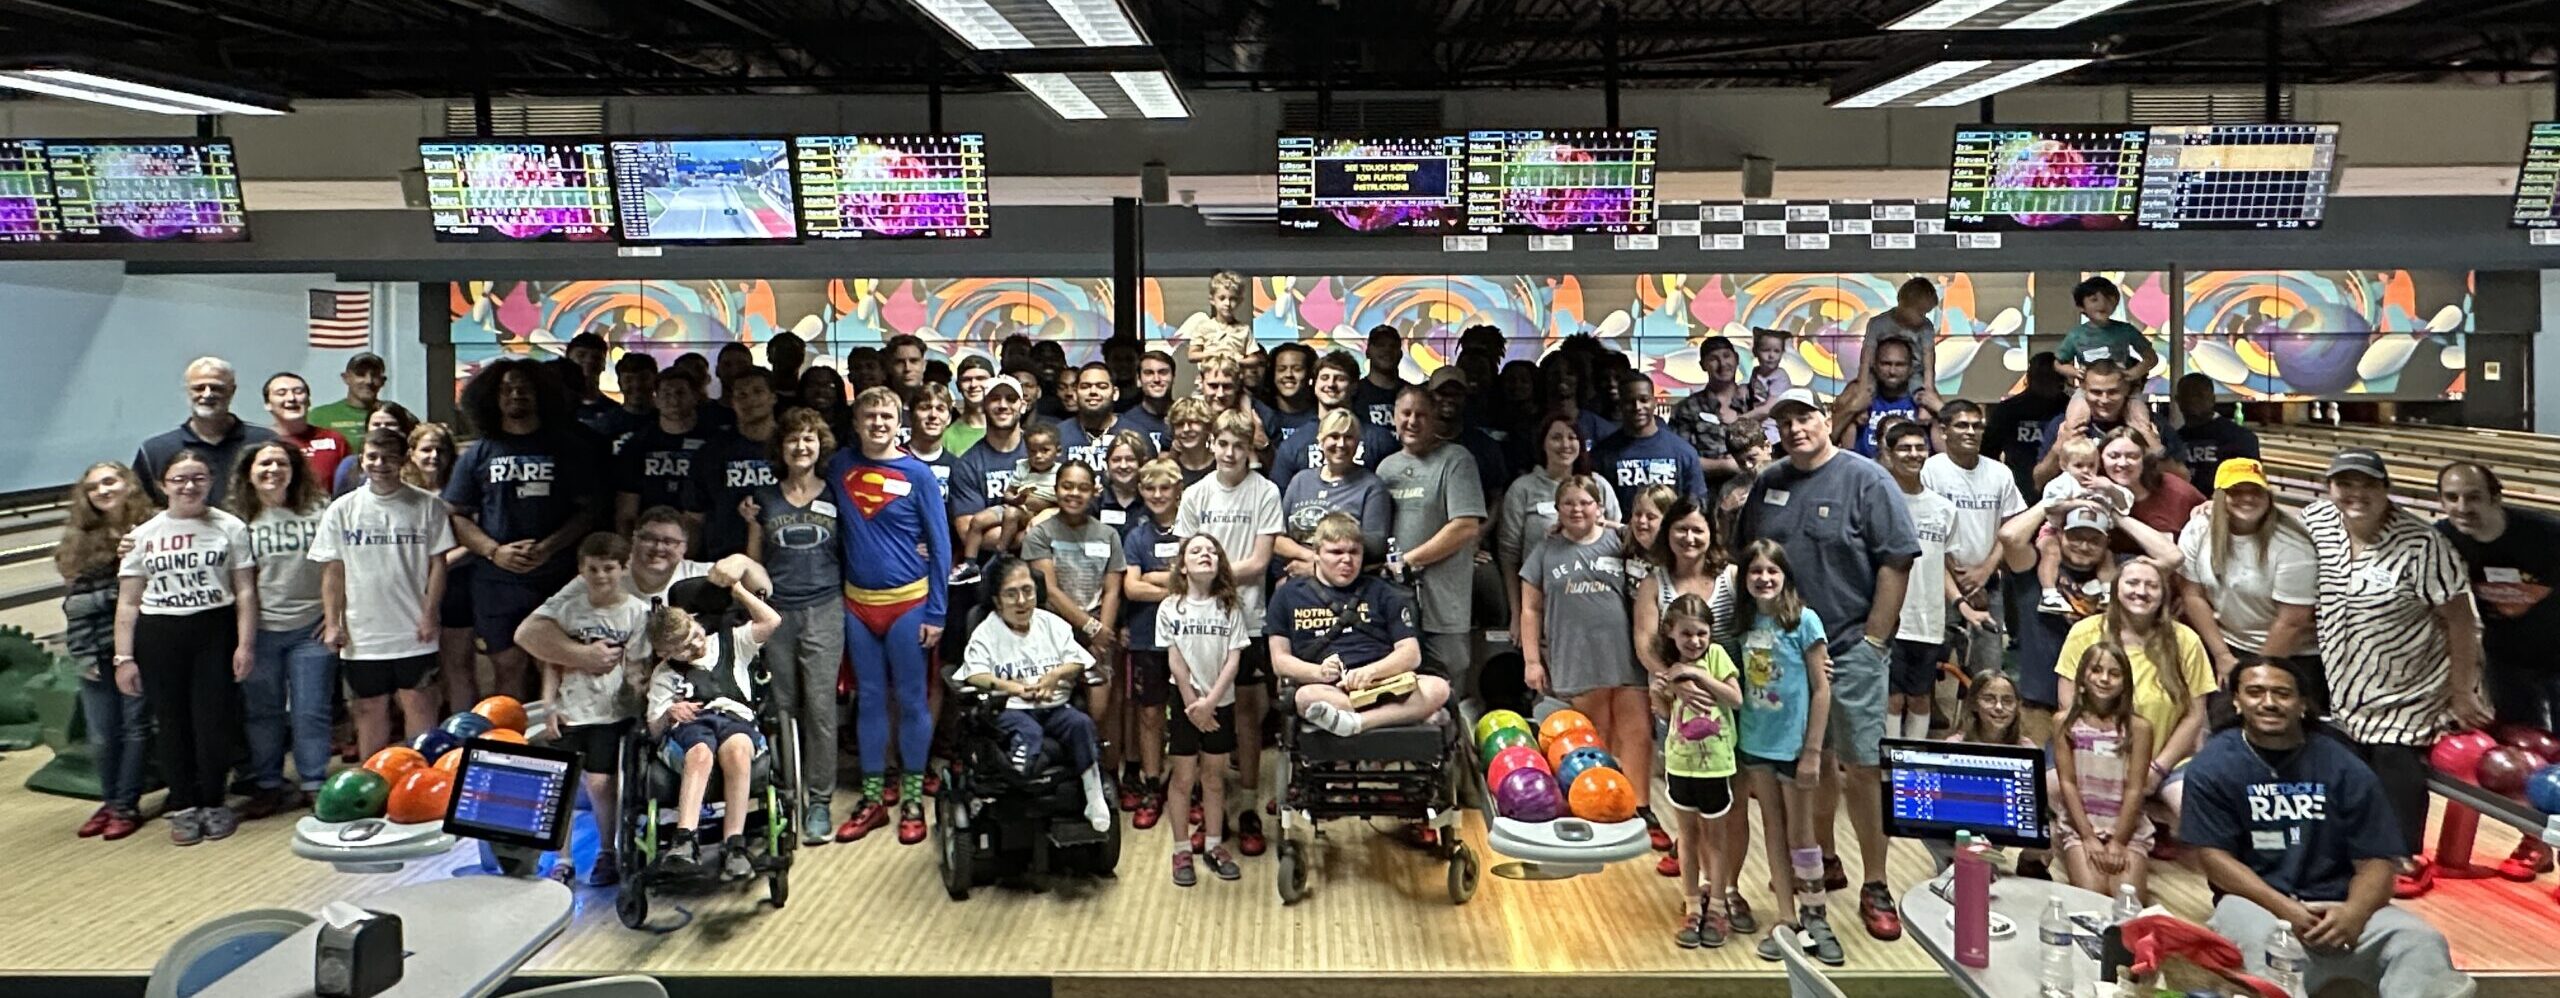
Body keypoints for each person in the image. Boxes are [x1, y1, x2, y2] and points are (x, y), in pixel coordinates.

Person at [1732, 387, 1918, 943]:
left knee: (1860, 765)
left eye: (1805, 416)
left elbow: (1896, 561)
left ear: (1828, 418)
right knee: (1807, 765)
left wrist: (1874, 640)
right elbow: (1750, 562)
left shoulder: (1867, 479)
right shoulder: (1769, 484)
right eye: (1784, 421)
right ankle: (1826, 860)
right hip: (1783, 656)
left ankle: (1877, 882)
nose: (1794, 428)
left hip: (1849, 646)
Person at [2180, 657, 2478, 998]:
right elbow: (2215, 860)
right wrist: (2286, 909)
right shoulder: (2213, 766)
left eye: (2282, 693)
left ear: (2303, 704)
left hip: (2338, 904)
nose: (2269, 703)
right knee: (2263, 943)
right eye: (2255, 692)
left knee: (2421, 941)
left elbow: (2377, 862)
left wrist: (2355, 912)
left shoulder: (2345, 767)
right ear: (2236, 701)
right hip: (2255, 904)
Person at [2303, 449, 2487, 898]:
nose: (2355, 493)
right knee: (2350, 766)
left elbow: (2460, 619)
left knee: (2393, 759)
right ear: (2330, 489)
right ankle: (2360, 851)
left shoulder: (2421, 544)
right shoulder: (2317, 522)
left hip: (2410, 685)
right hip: (2347, 682)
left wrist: (2462, 691)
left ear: (2386, 489)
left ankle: (2403, 853)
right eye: (2345, 483)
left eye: (2367, 484)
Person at [114, 450, 259, 845]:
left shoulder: (230, 527)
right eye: (179, 479)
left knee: (212, 721)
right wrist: (123, 657)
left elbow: (245, 591)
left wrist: (245, 644)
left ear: (210, 481)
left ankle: (214, 801)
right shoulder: (143, 535)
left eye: (197, 478)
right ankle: (183, 805)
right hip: (160, 634)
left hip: (214, 629)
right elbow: (128, 602)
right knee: (171, 721)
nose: (189, 486)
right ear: (163, 485)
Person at [828, 387, 952, 845]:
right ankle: (875, 798)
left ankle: (915, 798)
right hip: (857, 605)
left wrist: (937, 611)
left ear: (899, 421)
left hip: (909, 604)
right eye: (870, 414)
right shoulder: (838, 467)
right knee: (871, 700)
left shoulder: (918, 474)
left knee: (914, 700)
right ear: (856, 421)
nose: (878, 422)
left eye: (887, 415)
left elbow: (940, 547)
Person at [446, 360, 597, 704]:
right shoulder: (477, 453)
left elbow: (588, 511)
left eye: (525, 388)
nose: (516, 395)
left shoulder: (569, 449)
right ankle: (511, 746)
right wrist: (493, 551)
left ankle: (557, 747)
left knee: (556, 665)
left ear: (541, 394)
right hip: (496, 580)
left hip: (557, 576)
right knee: (507, 666)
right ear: (492, 398)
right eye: (507, 389)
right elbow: (456, 514)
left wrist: (549, 547)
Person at [1519, 474, 1655, 839]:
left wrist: (1615, 524)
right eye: (1569, 504)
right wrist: (1532, 660)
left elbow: (1649, 534)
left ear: (1599, 507)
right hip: (1575, 654)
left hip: (1625, 653)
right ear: (1558, 510)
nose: (1577, 510)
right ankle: (1605, 802)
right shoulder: (1544, 551)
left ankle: (1641, 806)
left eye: (1585, 503)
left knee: (1637, 731)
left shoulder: (1618, 541)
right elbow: (1530, 608)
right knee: (1596, 737)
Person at [1176, 411, 1284, 855]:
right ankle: (1213, 804)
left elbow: (1259, 562)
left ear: (1250, 449)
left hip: (1250, 619)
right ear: (1212, 444)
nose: (1230, 453)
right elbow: (1183, 560)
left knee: (1247, 717)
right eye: (1223, 444)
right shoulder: (1195, 494)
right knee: (1205, 714)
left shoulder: (1266, 492)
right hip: (1201, 624)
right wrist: (1206, 584)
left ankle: (1249, 807)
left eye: (1240, 446)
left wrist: (1212, 578)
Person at [1731, 539, 1840, 967]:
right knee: (1772, 832)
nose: (1763, 578)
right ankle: (1786, 919)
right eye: (1755, 571)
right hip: (1756, 742)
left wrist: (1813, 750)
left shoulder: (1805, 621)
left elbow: (1821, 689)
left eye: (1771, 571)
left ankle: (1816, 916)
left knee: (1801, 834)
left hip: (1795, 745)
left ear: (1785, 577)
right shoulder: (1743, 622)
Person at [742, 408, 847, 846]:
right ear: (780, 449)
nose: (801, 447)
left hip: (826, 608)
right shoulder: (762, 499)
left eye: (809, 439)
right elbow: (753, 561)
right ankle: (785, 795)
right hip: (777, 611)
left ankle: (819, 800)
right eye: (792, 440)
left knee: (821, 708)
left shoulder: (838, 493)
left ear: (820, 445)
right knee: (782, 706)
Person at [522, 532, 646, 885]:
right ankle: (562, 859)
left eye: (609, 568)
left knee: (601, 782)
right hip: (570, 710)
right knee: (559, 783)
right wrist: (549, 706)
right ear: (581, 569)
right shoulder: (567, 612)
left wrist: (642, 700)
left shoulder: (636, 613)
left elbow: (637, 667)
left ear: (624, 569)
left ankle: (608, 851)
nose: (601, 576)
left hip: (611, 714)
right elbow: (552, 661)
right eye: (593, 569)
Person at [958, 556, 1115, 833]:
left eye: (1027, 591)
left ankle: (1094, 796)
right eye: (1011, 593)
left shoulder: (1050, 623)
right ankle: (1020, 777)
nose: (1021, 601)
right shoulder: (986, 631)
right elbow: (974, 674)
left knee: (1081, 725)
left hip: (1054, 706)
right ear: (996, 600)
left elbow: (1078, 660)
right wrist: (1014, 688)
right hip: (1010, 709)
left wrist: (1055, 676)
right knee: (1028, 731)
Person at [2055, 555, 2210, 830]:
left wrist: (2157, 769)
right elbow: (2069, 705)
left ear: (2164, 594)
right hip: (2093, 752)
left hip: (2164, 761)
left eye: (2152, 585)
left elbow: (2195, 716)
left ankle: (2151, 819)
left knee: (2192, 808)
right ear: (2115, 588)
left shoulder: (2187, 640)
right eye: (2133, 582)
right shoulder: (2085, 632)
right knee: (2053, 790)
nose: (2141, 591)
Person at [644, 578, 784, 881]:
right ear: (666, 654)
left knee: (736, 750)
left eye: (694, 635)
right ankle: (685, 839)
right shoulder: (664, 675)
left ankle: (734, 844)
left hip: (735, 719)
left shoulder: (733, 641)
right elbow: (654, 731)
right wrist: (669, 713)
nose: (695, 645)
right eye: (682, 648)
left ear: (695, 622)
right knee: (699, 753)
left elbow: (772, 620)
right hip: (691, 727)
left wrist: (738, 592)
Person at [1268, 512, 1452, 737]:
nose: (1347, 560)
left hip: (1385, 683)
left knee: (1438, 688)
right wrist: (1319, 672)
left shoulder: (1385, 592)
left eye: (1354, 552)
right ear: (1316, 554)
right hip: (1331, 688)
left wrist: (1371, 672)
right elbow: (1280, 661)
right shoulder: (1287, 595)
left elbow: (1410, 654)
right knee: (1305, 698)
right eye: (1336, 552)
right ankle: (1402, 714)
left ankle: (1358, 723)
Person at [227, 440, 332, 817]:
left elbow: (339, 567)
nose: (273, 470)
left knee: (310, 710)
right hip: (260, 632)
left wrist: (335, 617)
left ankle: (313, 782)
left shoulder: (319, 510)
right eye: (264, 464)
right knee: (262, 712)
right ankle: (268, 783)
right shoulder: (236, 518)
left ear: (294, 469)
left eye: (281, 463)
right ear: (249, 473)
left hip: (311, 627)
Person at [57, 462, 157, 841]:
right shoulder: (79, 541)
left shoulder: (151, 527)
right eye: (94, 486)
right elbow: (75, 608)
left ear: (127, 484)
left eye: (110, 481)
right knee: (102, 735)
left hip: (140, 645)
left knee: (135, 727)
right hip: (94, 649)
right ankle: (112, 798)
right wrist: (118, 594)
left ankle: (125, 804)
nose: (103, 490)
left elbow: (153, 592)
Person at [2177, 458, 2318, 722]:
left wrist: (2256, 676)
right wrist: (2222, 656)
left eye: (2255, 491)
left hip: (2291, 653)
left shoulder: (2292, 546)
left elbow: (2292, 622)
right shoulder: (2199, 529)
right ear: (2219, 497)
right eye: (2236, 492)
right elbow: (2192, 595)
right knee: (2225, 724)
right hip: (2229, 646)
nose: (2247, 498)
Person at [1380, 385, 1488, 706]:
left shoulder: (1456, 460)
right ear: (1394, 417)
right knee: (1399, 688)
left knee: (1449, 685)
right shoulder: (1385, 468)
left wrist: (1409, 560)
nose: (1413, 421)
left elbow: (1466, 525)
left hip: (1445, 601)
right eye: (1406, 413)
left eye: (1422, 415)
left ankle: (1454, 754)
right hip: (1396, 602)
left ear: (1435, 419)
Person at [1023, 461, 1127, 780]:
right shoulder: (1040, 533)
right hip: (1052, 633)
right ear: (1056, 489)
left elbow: (1112, 590)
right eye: (1067, 486)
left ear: (1094, 492)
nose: (1074, 493)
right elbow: (1050, 591)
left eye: (1083, 487)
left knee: (1100, 710)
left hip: (1097, 630)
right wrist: (1090, 627)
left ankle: (1103, 774)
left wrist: (1101, 634)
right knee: (1055, 710)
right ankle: (1060, 774)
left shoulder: (1108, 535)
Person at [1157, 533, 1250, 886]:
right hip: (1184, 705)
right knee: (1182, 778)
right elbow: (1175, 658)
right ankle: (1181, 849)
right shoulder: (1170, 607)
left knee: (1213, 777)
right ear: (1183, 565)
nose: (1205, 555)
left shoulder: (1229, 607)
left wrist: (1210, 702)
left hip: (1219, 704)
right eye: (1196, 551)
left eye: (1212, 551)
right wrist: (1192, 703)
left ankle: (1213, 844)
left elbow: (1233, 659)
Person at [1653, 593, 1743, 949]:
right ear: (1671, 633)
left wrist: (1694, 673)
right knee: (1687, 837)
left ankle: (1717, 906)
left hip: (1716, 765)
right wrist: (1661, 692)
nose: (1695, 641)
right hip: (1679, 763)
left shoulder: (1716, 657)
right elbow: (1664, 713)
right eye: (1687, 634)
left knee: (1715, 838)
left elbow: (1735, 699)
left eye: (1702, 634)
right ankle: (1692, 904)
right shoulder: (1669, 666)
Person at [1499, 413, 1623, 632]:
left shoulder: (1599, 485)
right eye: (1556, 437)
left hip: (1600, 603)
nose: (1565, 444)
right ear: (1542, 444)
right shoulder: (1522, 489)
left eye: (1572, 437)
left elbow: (1622, 539)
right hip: (1545, 604)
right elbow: (1509, 557)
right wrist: (1517, 614)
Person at [2053, 643, 2156, 901]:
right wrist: (2088, 836)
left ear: (2125, 682)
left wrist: (2119, 841)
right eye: (2096, 670)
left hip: (2125, 828)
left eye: (2114, 673)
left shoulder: (2139, 728)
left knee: (2127, 901)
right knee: (2093, 897)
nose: (2104, 679)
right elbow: (2067, 783)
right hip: (2082, 826)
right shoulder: (2064, 723)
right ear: (2083, 679)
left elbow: (2135, 788)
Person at [1118, 456, 1187, 829]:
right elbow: (1131, 586)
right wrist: (1174, 582)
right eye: (1150, 488)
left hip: (1190, 641)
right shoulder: (1137, 536)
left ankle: (1186, 784)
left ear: (1179, 491)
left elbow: (1199, 581)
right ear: (1141, 491)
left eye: (1165, 488)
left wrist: (1152, 578)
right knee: (1149, 714)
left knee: (1188, 715)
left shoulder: (1192, 531)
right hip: (1147, 637)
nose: (1158, 495)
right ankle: (1150, 783)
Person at [1882, 420, 1961, 741]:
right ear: (1888, 454)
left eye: (1919, 447)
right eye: (1905, 448)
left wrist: (1962, 603)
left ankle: (1914, 761)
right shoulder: (1879, 501)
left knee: (1919, 697)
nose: (1914, 454)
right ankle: (1888, 764)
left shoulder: (1943, 508)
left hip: (1929, 620)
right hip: (1887, 620)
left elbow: (1945, 565)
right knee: (1892, 698)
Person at [1922, 399, 2024, 612]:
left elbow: (2011, 528)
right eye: (1962, 425)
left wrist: (1985, 571)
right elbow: (1929, 534)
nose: (1971, 431)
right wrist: (1963, 579)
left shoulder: (2000, 473)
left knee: (1989, 644)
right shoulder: (1930, 470)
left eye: (1977, 426)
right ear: (1943, 431)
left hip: (1989, 581)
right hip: (1940, 580)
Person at [136, 357, 278, 506]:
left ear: (232, 391)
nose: (207, 394)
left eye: (217, 388)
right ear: (187, 391)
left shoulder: (266, 442)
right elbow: (141, 508)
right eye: (199, 388)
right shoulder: (154, 451)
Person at [1277, 409, 1393, 578]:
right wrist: (1312, 558)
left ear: (1358, 443)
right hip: (1298, 580)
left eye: (1348, 437)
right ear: (1320, 441)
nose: (1341, 444)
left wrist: (1318, 568)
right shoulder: (1300, 481)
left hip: (1349, 584)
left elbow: (1375, 546)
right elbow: (1278, 539)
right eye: (1334, 436)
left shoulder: (1372, 487)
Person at [2033, 360, 2173, 494]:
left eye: (2113, 392)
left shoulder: (2150, 423)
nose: (2104, 400)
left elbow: (2182, 478)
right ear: (2083, 390)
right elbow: (2040, 482)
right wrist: (2060, 446)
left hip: (2139, 511)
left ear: (2126, 390)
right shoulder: (2064, 424)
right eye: (2096, 392)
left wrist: (2151, 443)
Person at [617, 363, 717, 539]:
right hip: (651, 539)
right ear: (655, 400)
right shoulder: (637, 444)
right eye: (666, 394)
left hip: (704, 538)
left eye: (680, 393)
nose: (673, 400)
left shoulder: (714, 442)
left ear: (695, 396)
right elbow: (627, 511)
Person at [1268, 350, 1396, 487]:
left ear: (1354, 386)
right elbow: (1281, 497)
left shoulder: (1379, 440)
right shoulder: (1294, 444)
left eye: (1340, 378)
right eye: (1324, 378)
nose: (1331, 384)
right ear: (1314, 384)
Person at [687, 367, 778, 559]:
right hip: (725, 559)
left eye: (758, 392)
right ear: (732, 402)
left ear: (773, 397)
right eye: (741, 395)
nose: (750, 400)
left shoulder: (793, 447)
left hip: (784, 560)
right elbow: (694, 517)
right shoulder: (711, 452)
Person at [947, 375, 1030, 577]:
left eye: (1011, 398)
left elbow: (1061, 512)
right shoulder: (967, 464)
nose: (1003, 405)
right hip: (990, 574)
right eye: (995, 398)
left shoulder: (1041, 451)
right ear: (983, 405)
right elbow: (968, 532)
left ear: (1023, 406)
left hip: (1041, 568)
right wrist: (1033, 534)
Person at [1594, 369, 1708, 514]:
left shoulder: (1683, 452)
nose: (1637, 407)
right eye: (1630, 401)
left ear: (1654, 402)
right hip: (1622, 534)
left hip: (1670, 534)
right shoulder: (1603, 454)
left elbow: (1696, 504)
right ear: (1620, 405)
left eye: (1644, 400)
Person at [1829, 339, 1936, 460]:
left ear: (1911, 367)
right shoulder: (1859, 394)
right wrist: (1853, 408)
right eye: (1886, 364)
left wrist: (1937, 408)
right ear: (1874, 365)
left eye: (1900, 365)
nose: (1892, 371)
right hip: (1866, 473)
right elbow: (1829, 439)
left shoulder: (1922, 399)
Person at [1666, 337, 1749, 484]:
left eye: (1726, 356)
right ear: (1703, 365)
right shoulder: (1688, 408)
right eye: (1713, 359)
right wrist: (1725, 466)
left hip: (1754, 493)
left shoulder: (1754, 401)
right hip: (1707, 494)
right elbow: (1679, 457)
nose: (1722, 364)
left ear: (1736, 359)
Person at [1984, 352, 2067, 499]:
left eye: (2049, 377)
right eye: (2042, 377)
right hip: (2018, 490)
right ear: (2030, 377)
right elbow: (1987, 454)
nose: (2046, 382)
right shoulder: (2008, 410)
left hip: (2064, 487)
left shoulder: (2071, 409)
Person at [2104, 427, 2206, 546]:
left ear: (2145, 458)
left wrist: (2210, 506)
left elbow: (2214, 516)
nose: (2122, 463)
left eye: (2132, 456)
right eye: (2113, 456)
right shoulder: (2093, 493)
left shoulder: (2174, 489)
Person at [2054, 276, 2156, 388]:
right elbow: (2058, 363)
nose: (2102, 304)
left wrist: (2134, 373)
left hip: (2122, 390)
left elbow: (2151, 357)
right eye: (2094, 300)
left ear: (2116, 302)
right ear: (2081, 306)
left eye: (2108, 298)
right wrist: (2075, 372)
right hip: (2088, 390)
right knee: (2076, 406)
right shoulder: (2076, 335)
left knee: (2137, 406)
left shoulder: (2126, 330)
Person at [2169, 373, 2257, 495]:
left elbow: (2249, 485)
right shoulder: (2173, 440)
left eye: (2200, 395)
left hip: (2222, 509)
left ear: (2213, 399)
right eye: (2187, 395)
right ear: (2178, 400)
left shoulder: (2240, 438)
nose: (2193, 400)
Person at [263, 372, 351, 487]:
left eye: (298, 392)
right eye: (281, 393)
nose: (291, 398)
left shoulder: (335, 440)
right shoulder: (260, 442)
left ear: (309, 401)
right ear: (267, 404)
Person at [1857, 278, 1937, 393]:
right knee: (1866, 393)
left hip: (1913, 375)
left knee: (1923, 396)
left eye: (1926, 313)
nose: (1923, 318)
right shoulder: (1878, 323)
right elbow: (1867, 357)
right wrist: (1862, 384)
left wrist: (1929, 387)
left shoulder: (1926, 327)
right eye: (1920, 313)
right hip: (1880, 375)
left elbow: (1929, 360)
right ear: (1903, 304)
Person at [331, 402, 419, 497]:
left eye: (390, 424)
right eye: (376, 424)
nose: (382, 429)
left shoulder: (417, 462)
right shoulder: (349, 465)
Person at [1056, 362, 1126, 469]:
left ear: (1115, 393)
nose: (1093, 392)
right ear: (1075, 393)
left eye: (1102, 387)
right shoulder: (1057, 435)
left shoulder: (1135, 433)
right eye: (1085, 387)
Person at [308, 352, 390, 441]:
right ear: (346, 378)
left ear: (383, 381)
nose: (368, 381)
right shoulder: (318, 416)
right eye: (360, 374)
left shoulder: (396, 415)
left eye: (374, 375)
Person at [596, 352, 660, 453]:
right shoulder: (605, 424)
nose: (637, 385)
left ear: (656, 381)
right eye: (628, 380)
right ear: (619, 384)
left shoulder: (670, 420)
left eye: (643, 378)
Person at [1117, 349, 1177, 450]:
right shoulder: (1127, 422)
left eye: (1163, 372)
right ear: (1138, 380)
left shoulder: (1186, 418)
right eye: (1149, 373)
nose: (1157, 379)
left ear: (1173, 377)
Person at [1265, 342, 1319, 441]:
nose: (1288, 374)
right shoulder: (1262, 415)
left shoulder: (1322, 414)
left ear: (1310, 374)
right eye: (1281, 369)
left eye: (1297, 369)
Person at [1355, 325, 1407, 427]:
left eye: (1393, 346)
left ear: (1400, 354)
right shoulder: (1353, 393)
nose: (1387, 350)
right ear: (1367, 352)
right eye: (1380, 345)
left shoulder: (1413, 394)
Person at [947, 354, 993, 456]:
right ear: (958, 386)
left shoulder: (1007, 428)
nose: (973, 385)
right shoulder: (948, 436)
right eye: (966, 380)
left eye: (980, 378)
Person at [1164, 397, 1217, 486]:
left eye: (1193, 422)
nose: (1186, 429)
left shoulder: (1222, 464)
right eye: (1179, 424)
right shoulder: (1168, 470)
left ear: (1208, 427)